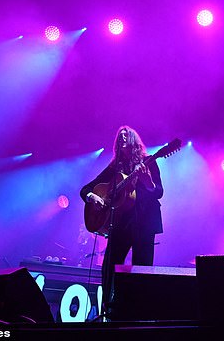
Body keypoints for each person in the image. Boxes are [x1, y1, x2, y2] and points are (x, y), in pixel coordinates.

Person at [80, 125, 164, 316]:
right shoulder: (115, 166)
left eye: (126, 135)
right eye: (119, 136)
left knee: (141, 268)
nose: (122, 138)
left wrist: (147, 182)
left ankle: (138, 313)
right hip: (121, 222)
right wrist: (93, 197)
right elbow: (85, 189)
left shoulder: (148, 161)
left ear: (134, 140)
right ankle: (108, 309)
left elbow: (159, 192)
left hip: (144, 222)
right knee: (110, 265)